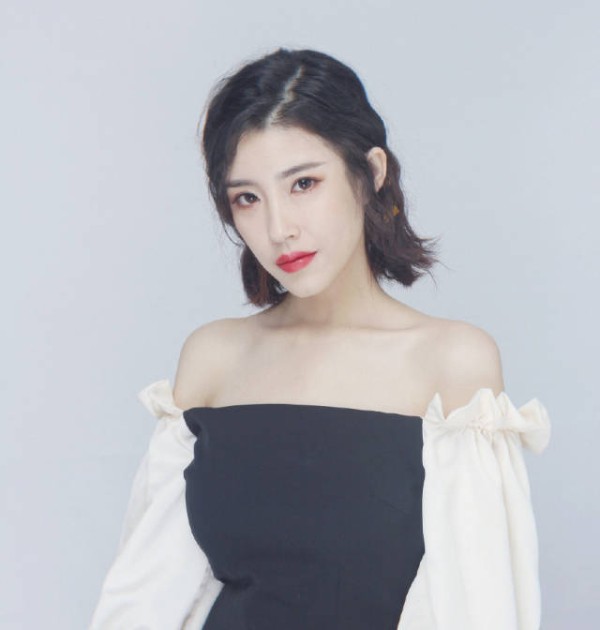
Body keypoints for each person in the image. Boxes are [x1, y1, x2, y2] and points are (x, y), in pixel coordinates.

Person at [89, 47, 551, 629]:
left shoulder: (452, 362)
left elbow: (480, 610)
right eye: (247, 198)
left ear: (372, 173)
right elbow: (146, 599)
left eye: (303, 183)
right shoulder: (213, 357)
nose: (278, 227)